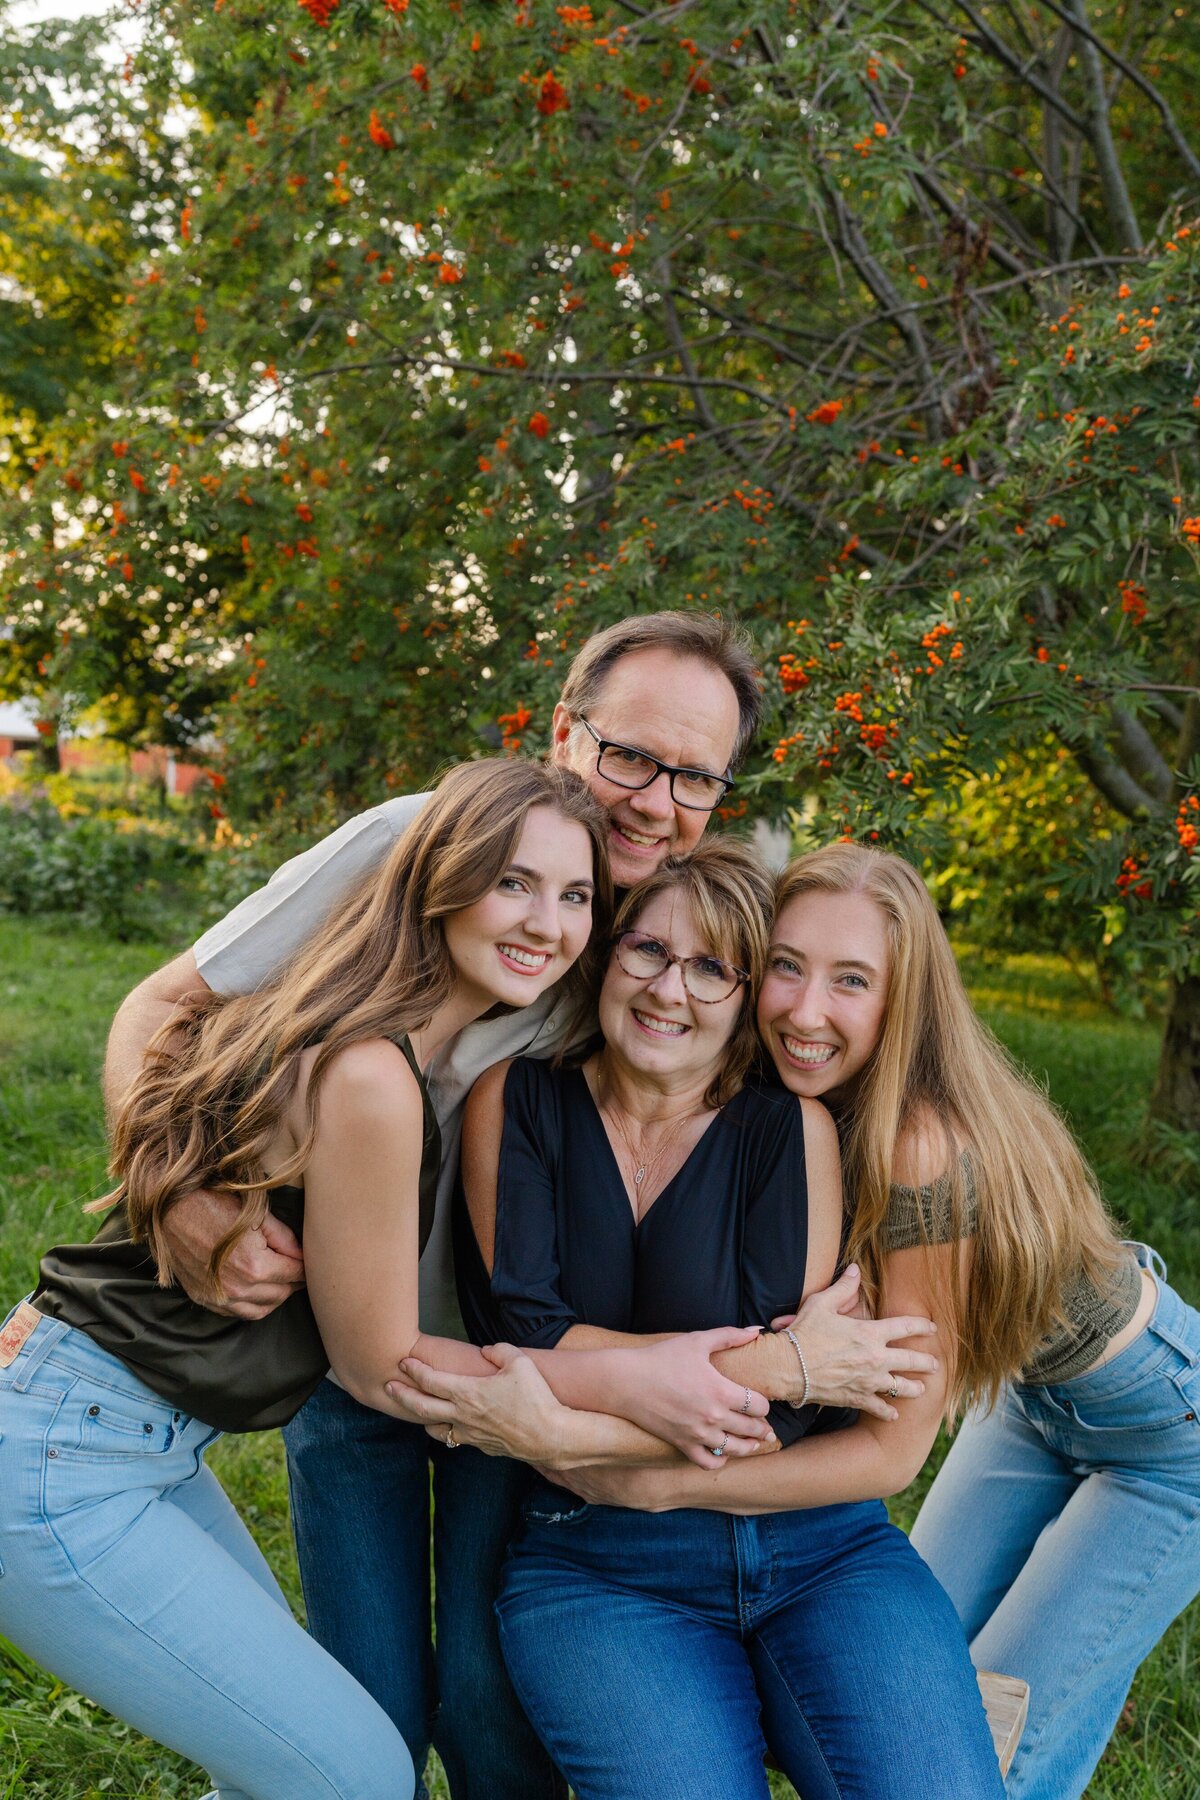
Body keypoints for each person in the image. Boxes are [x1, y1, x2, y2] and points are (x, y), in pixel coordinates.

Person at [104, 611, 936, 1797]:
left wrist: (825, 1322)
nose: (655, 799)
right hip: (353, 1353)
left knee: (495, 1712)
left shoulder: (649, 927)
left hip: (524, 1358)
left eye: (696, 775)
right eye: (631, 755)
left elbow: (804, 1026)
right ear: (565, 731)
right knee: (364, 1708)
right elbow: (159, 1008)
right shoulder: (418, 848)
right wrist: (180, 1198)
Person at [0, 758, 609, 1800]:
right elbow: (380, 1369)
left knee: (281, 1771)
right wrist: (658, 1388)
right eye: (514, 882)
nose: (548, 923)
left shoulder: (363, 1026)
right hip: (63, 1463)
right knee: (359, 1775)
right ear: (440, 879)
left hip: (118, 1439)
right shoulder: (374, 1073)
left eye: (577, 895)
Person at [440, 841, 1005, 1800]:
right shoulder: (520, 1101)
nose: (671, 989)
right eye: (647, 952)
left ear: (742, 998)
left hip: (822, 1548)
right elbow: (526, 1341)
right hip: (600, 1564)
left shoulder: (792, 1130)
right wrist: (780, 1361)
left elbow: (778, 1419)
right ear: (603, 956)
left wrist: (576, 1431)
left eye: (713, 968)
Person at [749, 843, 1200, 1800]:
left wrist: (665, 1488)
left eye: (851, 980)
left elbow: (887, 1456)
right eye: (786, 965)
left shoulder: (918, 1144)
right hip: (1027, 1402)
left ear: (902, 997)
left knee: (985, 1743)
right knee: (896, 1679)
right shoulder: (805, 1094)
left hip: (1165, 1437)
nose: (805, 1009)